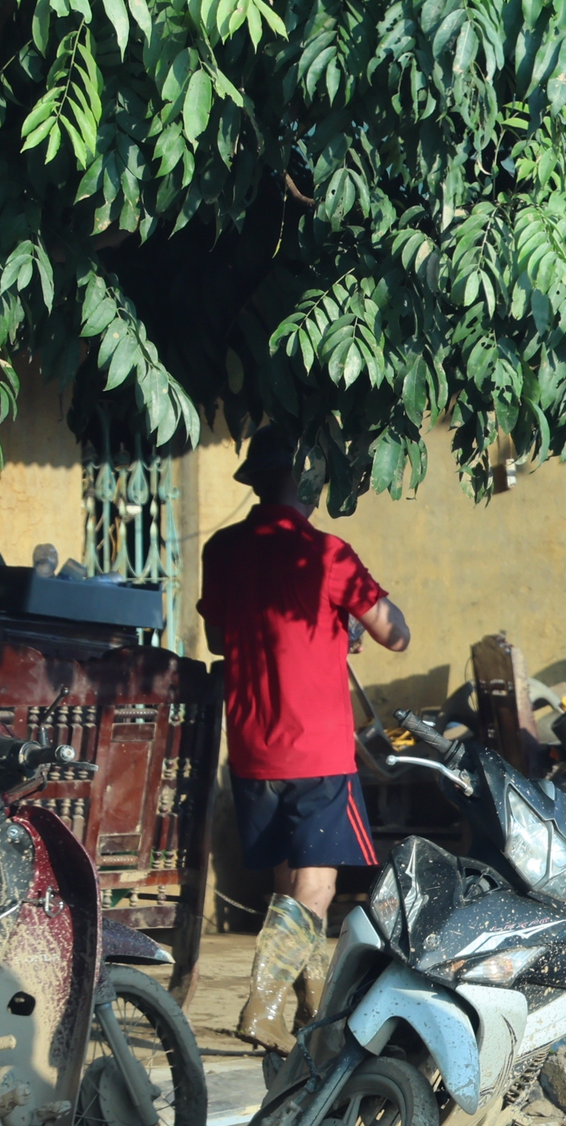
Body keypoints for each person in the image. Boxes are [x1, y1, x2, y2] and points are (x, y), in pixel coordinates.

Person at [198, 427, 411, 1053]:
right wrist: (351, 623)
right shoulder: (328, 554)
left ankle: (310, 1005)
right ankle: (261, 1008)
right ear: (307, 483)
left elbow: (218, 640)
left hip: (253, 747)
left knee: (290, 883)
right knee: (317, 889)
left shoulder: (223, 549)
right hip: (317, 749)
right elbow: (396, 633)